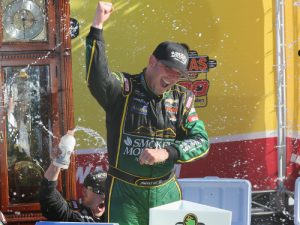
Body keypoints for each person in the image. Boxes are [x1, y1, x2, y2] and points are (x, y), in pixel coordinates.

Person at [85, 2, 210, 225]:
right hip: (125, 193)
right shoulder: (124, 88)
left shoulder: (183, 98)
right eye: (168, 68)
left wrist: (168, 152)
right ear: (152, 61)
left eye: (178, 74)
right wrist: (97, 27)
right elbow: (97, 78)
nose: (172, 78)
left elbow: (201, 141)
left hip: (166, 192)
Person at [39, 131, 107, 222]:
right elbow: (47, 194)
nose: (104, 196)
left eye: (108, 192)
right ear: (85, 192)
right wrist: (58, 162)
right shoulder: (73, 213)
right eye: (99, 191)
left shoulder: (117, 214)